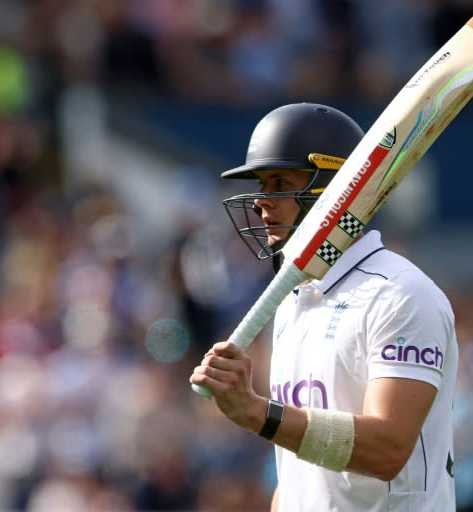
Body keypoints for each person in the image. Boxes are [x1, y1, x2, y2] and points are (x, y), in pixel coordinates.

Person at [190, 102, 458, 511]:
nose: (263, 203)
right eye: (262, 186)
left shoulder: (401, 294)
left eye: (279, 183)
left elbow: (388, 450)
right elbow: (300, 477)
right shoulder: (292, 303)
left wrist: (259, 413)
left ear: (336, 188)